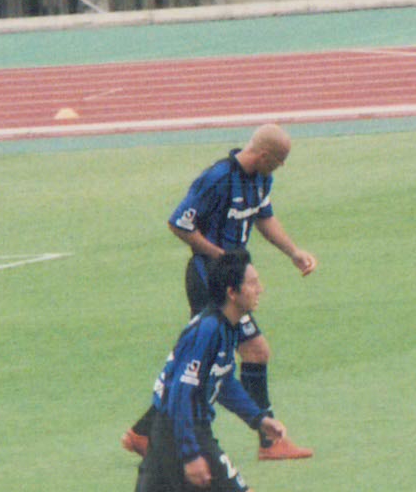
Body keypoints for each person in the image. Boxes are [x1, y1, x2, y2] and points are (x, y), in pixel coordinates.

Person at [122, 125, 317, 461]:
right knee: (249, 351)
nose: (280, 168)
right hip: (209, 279)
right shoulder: (217, 178)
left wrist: (293, 252)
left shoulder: (261, 179)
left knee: (206, 357)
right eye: (279, 161)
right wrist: (220, 258)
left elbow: (264, 217)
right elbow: (179, 223)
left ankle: (144, 432)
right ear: (264, 155)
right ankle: (270, 441)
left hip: (231, 278)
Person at [89, 251, 290, 492]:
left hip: (168, 428)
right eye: (252, 283)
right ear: (232, 292)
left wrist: (258, 419)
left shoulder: (227, 325)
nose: (260, 288)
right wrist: (191, 453)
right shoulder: (208, 330)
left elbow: (223, 380)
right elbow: (181, 394)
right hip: (182, 429)